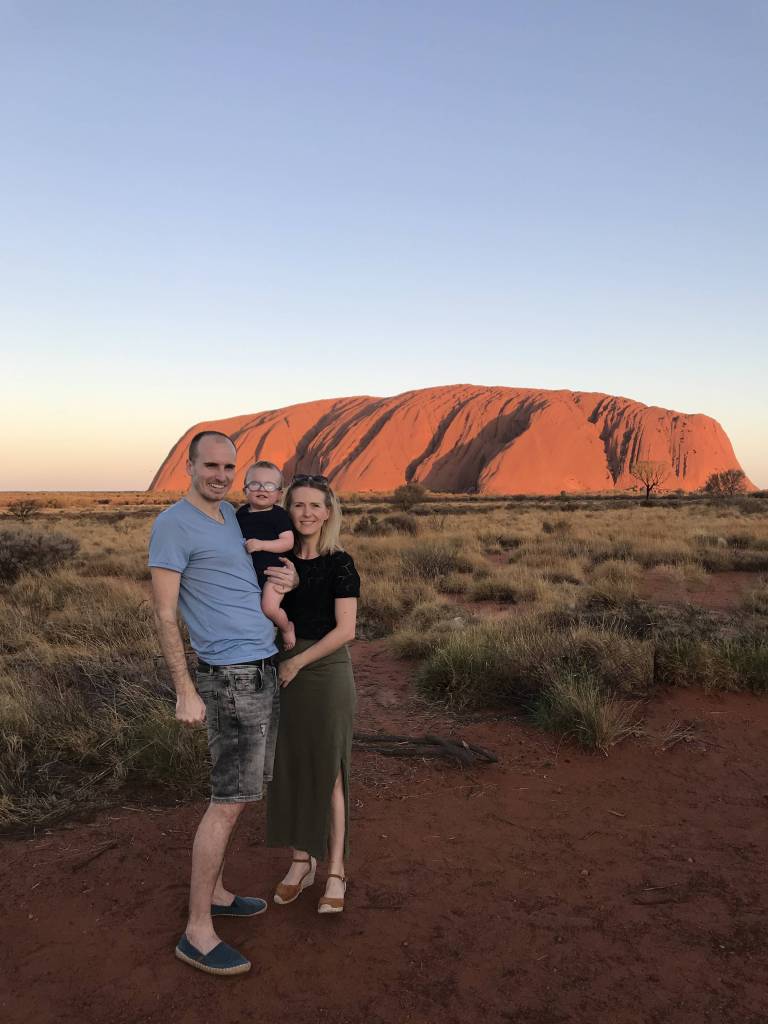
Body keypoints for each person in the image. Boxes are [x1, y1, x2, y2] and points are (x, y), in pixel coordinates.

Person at [148, 431, 298, 977]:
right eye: (210, 464)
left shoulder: (231, 518)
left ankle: (215, 893)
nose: (219, 474)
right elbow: (165, 614)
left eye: (228, 466)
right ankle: (197, 931)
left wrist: (290, 577)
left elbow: (249, 579)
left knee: (242, 794)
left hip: (260, 668)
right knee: (228, 799)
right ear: (188, 465)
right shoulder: (173, 524)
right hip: (229, 677)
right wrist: (185, 690)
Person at [266, 474, 360, 914]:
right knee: (294, 765)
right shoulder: (278, 563)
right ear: (289, 510)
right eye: (297, 505)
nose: (306, 513)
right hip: (285, 670)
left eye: (314, 506)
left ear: (327, 512)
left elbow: (347, 630)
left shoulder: (340, 563)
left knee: (330, 770)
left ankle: (336, 869)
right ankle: (300, 862)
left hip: (323, 670)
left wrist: (297, 661)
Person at [236, 461, 296, 651]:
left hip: (274, 573)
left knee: (269, 608)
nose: (262, 489)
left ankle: (286, 628)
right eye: (255, 484)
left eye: (269, 486)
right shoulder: (241, 514)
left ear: (279, 493)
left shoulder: (279, 515)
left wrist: (261, 545)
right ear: (245, 489)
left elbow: (287, 542)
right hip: (249, 574)